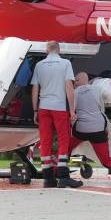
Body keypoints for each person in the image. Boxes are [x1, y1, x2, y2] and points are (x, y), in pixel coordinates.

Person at [31, 41, 82, 189]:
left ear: (47, 50)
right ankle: (63, 176)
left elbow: (35, 89)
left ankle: (48, 178)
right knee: (63, 139)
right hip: (59, 107)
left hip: (43, 108)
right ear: (59, 50)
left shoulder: (39, 66)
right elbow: (69, 88)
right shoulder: (65, 64)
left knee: (45, 140)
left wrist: (35, 110)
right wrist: (72, 110)